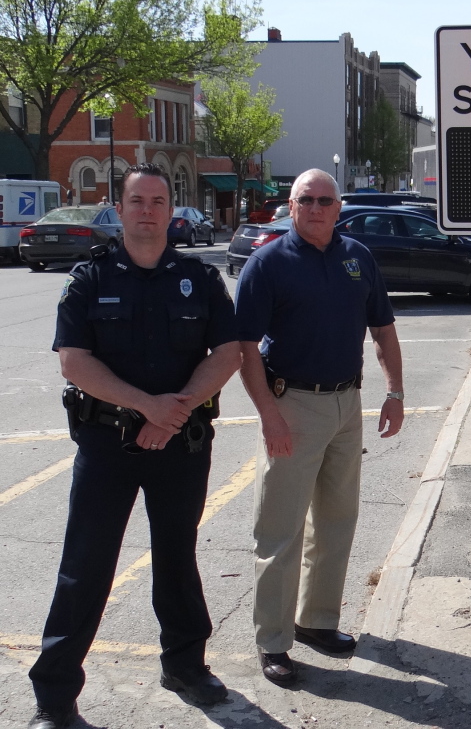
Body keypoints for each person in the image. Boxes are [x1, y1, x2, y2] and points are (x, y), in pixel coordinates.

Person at [27, 163, 241, 729]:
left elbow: (227, 354)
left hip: (181, 443)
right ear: (118, 209)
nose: (147, 209)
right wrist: (149, 407)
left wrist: (175, 412)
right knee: (86, 565)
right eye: (137, 200)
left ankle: (186, 666)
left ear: (172, 211)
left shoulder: (199, 277)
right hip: (107, 445)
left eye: (158, 200)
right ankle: (54, 695)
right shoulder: (90, 280)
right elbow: (75, 362)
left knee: (177, 557)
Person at [235, 168, 404, 685]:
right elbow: (244, 349)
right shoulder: (267, 264)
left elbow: (383, 330)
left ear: (338, 207)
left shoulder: (358, 257)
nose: (315, 208)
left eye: (324, 200)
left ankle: (317, 622)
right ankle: (273, 641)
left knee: (336, 520)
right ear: (291, 204)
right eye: (305, 200)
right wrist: (269, 416)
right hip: (292, 405)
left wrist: (394, 391)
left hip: (346, 404)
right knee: (280, 530)